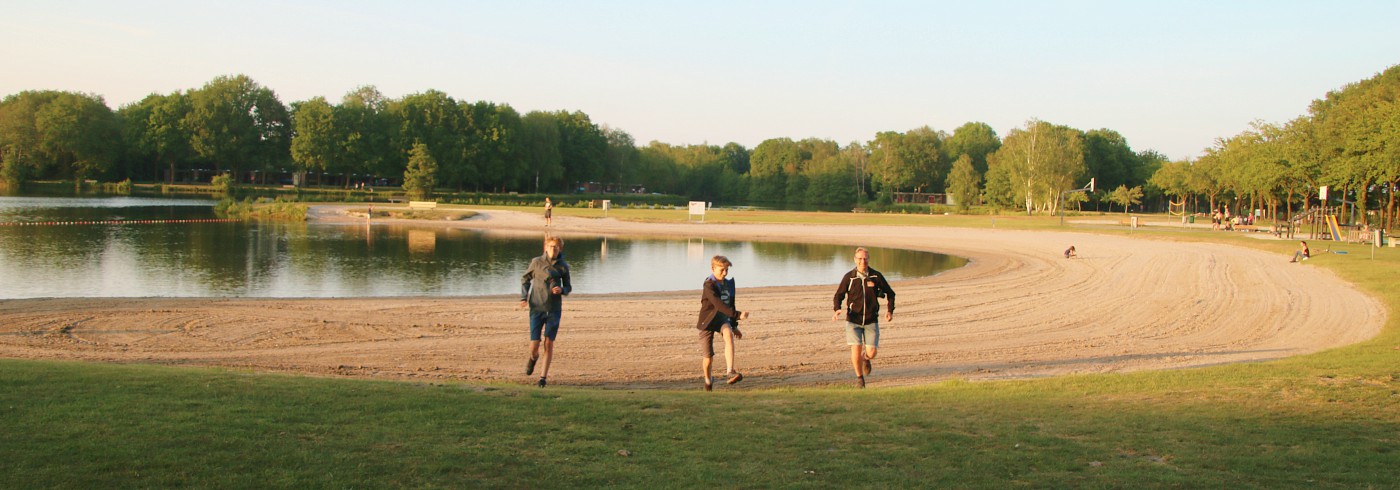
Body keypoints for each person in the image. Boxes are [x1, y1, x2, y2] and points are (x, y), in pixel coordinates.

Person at [832, 247, 895, 388]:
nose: (863, 261)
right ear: (855, 260)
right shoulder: (849, 277)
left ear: (869, 259)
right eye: (860, 259)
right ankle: (860, 379)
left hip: (871, 320)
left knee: (872, 352)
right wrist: (837, 309)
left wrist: (889, 311)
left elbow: (890, 293)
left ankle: (865, 358)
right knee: (856, 348)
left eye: (865, 258)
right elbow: (839, 295)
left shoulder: (876, 276)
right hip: (853, 320)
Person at [519, 236, 571, 387]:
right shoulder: (536, 262)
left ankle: (542, 378)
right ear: (545, 248)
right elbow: (525, 279)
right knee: (534, 345)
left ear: (560, 249)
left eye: (556, 247)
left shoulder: (563, 266)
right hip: (537, 308)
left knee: (549, 343)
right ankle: (533, 358)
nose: (553, 249)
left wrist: (561, 290)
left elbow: (568, 287)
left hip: (554, 310)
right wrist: (524, 297)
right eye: (551, 246)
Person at [695, 255, 750, 391]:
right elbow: (718, 304)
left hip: (721, 319)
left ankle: (730, 371)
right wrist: (738, 315)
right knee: (708, 359)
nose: (725, 273)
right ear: (713, 268)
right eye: (722, 270)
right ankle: (708, 380)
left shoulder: (728, 284)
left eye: (726, 270)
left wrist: (734, 325)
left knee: (728, 334)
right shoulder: (709, 285)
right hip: (707, 321)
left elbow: (729, 304)